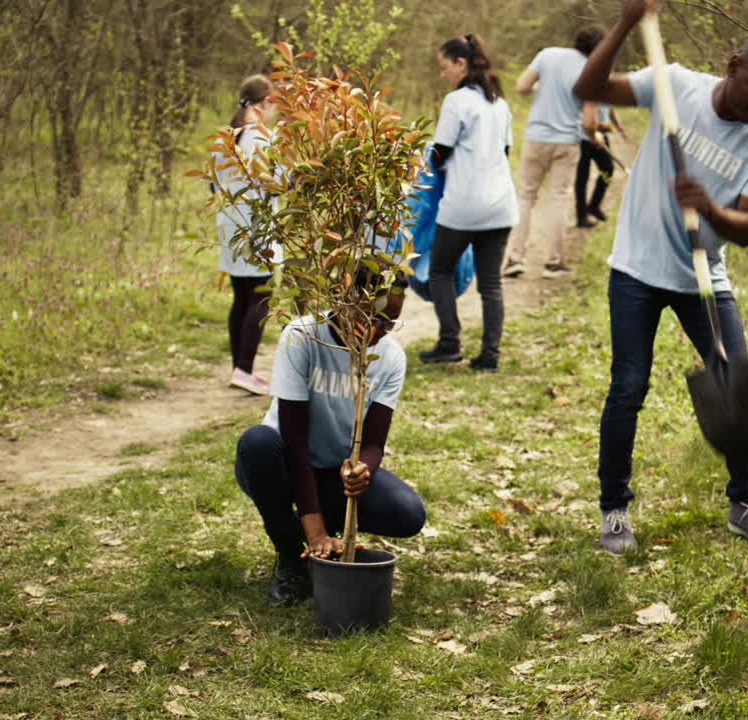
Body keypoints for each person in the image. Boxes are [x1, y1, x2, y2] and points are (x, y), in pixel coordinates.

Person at [573, 0, 748, 552]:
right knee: (629, 386)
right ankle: (614, 512)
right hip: (637, 269)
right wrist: (626, 21)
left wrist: (711, 209)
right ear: (733, 65)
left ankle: (745, 503)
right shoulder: (675, 85)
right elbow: (589, 87)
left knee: (740, 383)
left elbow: (747, 228)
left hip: (704, 277)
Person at [233, 271, 426, 605]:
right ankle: (292, 555)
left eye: (390, 323)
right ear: (343, 299)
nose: (379, 332)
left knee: (407, 512)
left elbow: (374, 444)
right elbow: (294, 442)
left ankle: (324, 544)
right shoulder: (302, 337)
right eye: (372, 319)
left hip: (333, 473)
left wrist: (362, 469)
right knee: (256, 443)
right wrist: (314, 529)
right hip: (281, 468)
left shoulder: (390, 358)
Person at [418, 34, 518, 372]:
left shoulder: (457, 101)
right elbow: (505, 152)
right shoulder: (499, 103)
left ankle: (450, 342)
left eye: (444, 67)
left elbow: (440, 151)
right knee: (491, 283)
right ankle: (489, 355)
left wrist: (433, 161)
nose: (442, 74)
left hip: (463, 205)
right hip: (501, 205)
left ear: (461, 64)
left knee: (440, 271)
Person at [501, 26, 604, 280]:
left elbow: (522, 86)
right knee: (558, 198)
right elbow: (590, 123)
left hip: (536, 137)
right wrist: (596, 138)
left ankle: (515, 258)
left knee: (526, 197)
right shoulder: (593, 71)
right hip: (566, 142)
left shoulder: (547, 55)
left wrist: (540, 90)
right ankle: (552, 263)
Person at [215, 74, 283, 396]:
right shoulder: (260, 138)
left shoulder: (227, 137)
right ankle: (244, 369)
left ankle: (240, 369)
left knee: (242, 297)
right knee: (260, 296)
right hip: (255, 226)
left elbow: (214, 184)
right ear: (266, 102)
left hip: (229, 225)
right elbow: (276, 182)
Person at [575, 103, 627, 228]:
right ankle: (581, 216)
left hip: (601, 139)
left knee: (607, 170)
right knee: (582, 178)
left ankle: (594, 206)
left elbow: (610, 108)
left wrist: (618, 126)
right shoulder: (587, 86)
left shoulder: (608, 86)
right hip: (584, 138)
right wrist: (603, 127)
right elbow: (583, 115)